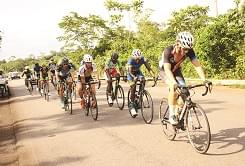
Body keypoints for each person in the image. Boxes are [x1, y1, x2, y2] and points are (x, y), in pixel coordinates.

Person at [159, 31, 210, 125]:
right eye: (184, 49)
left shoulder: (189, 51)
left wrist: (204, 79)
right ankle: (171, 114)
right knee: (173, 88)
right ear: (178, 44)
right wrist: (174, 83)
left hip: (176, 70)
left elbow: (197, 65)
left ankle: (178, 112)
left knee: (185, 92)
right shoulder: (168, 50)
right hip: (165, 71)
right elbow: (167, 69)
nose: (186, 51)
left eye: (188, 49)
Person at [127, 49, 155, 116]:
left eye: (139, 59)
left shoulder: (143, 59)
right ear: (133, 57)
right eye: (136, 59)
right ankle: (132, 104)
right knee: (133, 85)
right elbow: (130, 72)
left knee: (143, 79)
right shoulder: (131, 60)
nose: (137, 60)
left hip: (138, 72)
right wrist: (134, 77)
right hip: (130, 73)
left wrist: (154, 76)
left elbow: (149, 68)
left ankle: (140, 94)